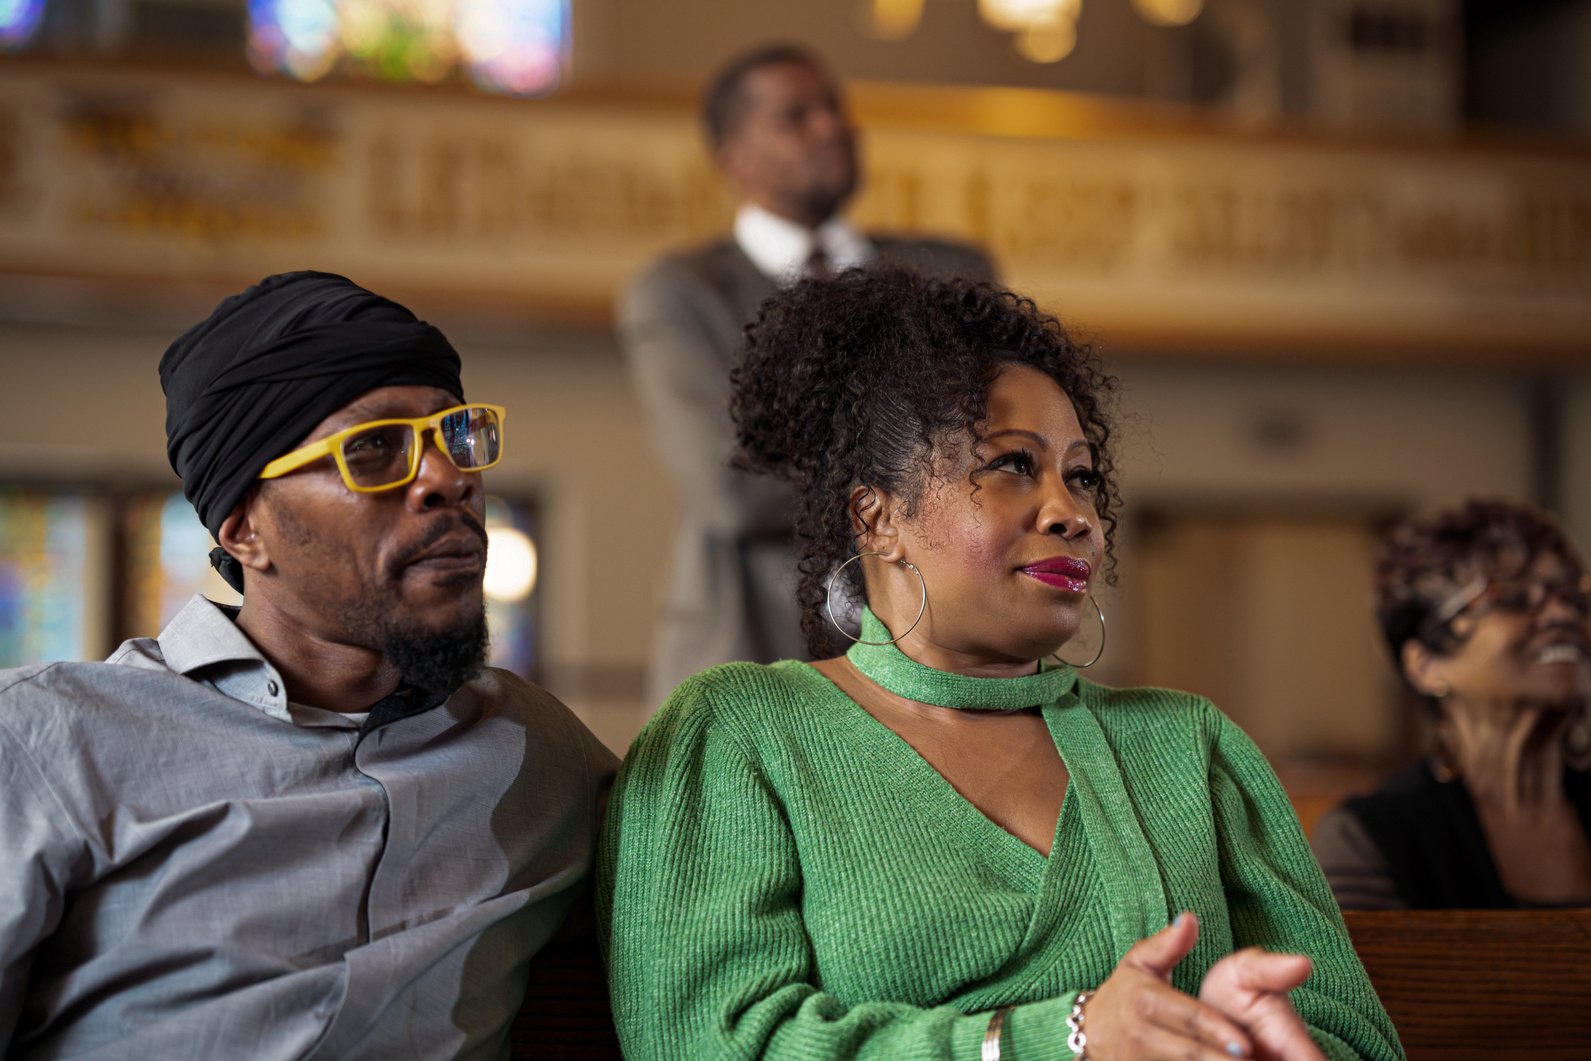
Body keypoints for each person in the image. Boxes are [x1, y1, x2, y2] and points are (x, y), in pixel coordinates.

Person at [600, 268, 1401, 1061]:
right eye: (1013, 464)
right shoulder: (741, 733)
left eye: (1080, 476)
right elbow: (712, 1042)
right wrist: (1061, 1038)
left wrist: (1232, 1039)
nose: (1073, 513)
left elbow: (1351, 1035)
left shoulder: (1187, 745)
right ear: (877, 518)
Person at [0, 271, 618, 1058]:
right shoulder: (48, 738)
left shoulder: (536, 751)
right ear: (242, 531)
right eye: (373, 448)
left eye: (454, 434)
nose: (448, 479)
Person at [619, 42, 996, 704]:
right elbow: (730, 488)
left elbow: (990, 454)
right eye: (795, 116)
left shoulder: (948, 273)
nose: (831, 126)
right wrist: (919, 476)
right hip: (751, 649)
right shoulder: (682, 294)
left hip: (937, 644)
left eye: (833, 107)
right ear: (733, 156)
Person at [1311, 499, 1591, 909]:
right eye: (1512, 596)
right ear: (1426, 665)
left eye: (1573, 596)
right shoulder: (1372, 836)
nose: (1561, 613)